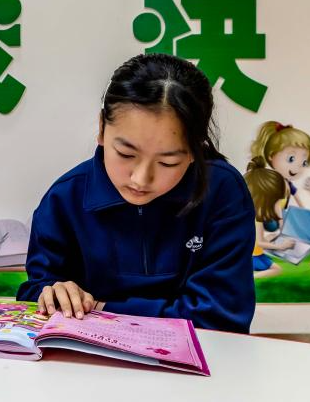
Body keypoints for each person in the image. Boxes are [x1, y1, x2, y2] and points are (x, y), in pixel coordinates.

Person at [16, 54, 256, 333]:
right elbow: (35, 299)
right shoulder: (64, 200)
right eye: (126, 154)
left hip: (201, 358)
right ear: (101, 129)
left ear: (195, 150)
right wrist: (51, 293)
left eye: (168, 162)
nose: (140, 179)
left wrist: (100, 308)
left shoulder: (222, 191)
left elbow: (221, 318)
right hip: (85, 359)